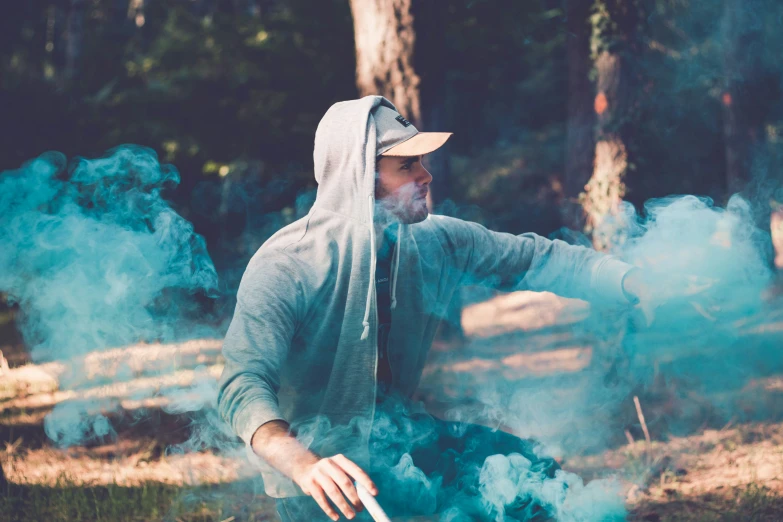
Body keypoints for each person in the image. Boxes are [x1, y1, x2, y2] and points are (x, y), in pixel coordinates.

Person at [218, 96, 649, 521]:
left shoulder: (434, 240)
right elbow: (242, 383)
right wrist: (303, 464)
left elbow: (534, 259)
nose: (425, 176)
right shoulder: (286, 264)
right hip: (327, 483)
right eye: (406, 166)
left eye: (421, 162)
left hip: (404, 445)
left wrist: (633, 281)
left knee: (534, 479)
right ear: (358, 174)